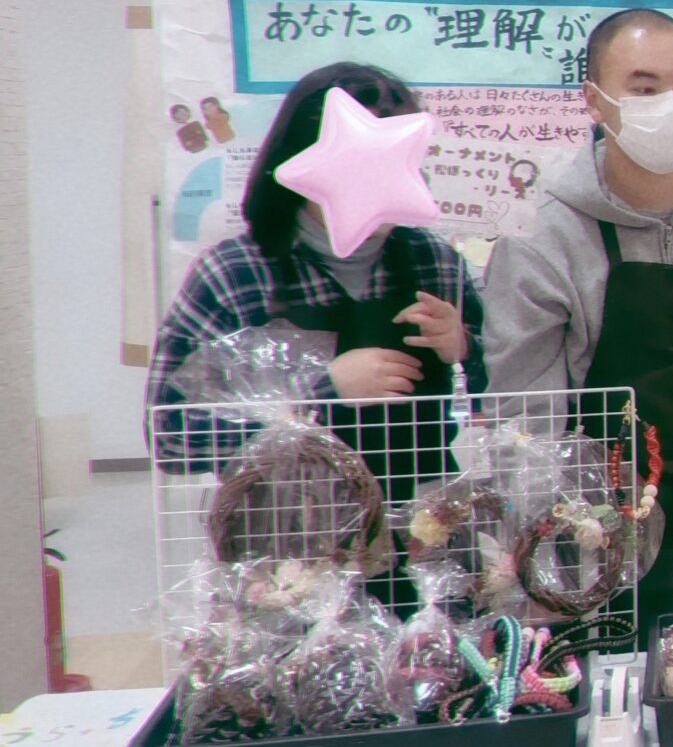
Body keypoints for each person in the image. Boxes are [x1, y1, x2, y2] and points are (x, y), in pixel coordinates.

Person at [484, 8, 673, 630]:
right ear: (594, 101)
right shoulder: (541, 236)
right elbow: (525, 421)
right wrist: (540, 556)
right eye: (645, 89)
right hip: (594, 539)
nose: (671, 106)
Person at [146, 64, 486, 600]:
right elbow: (171, 435)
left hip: (426, 551)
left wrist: (465, 349)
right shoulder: (235, 274)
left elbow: (507, 402)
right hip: (290, 564)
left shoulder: (435, 263)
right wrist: (321, 393)